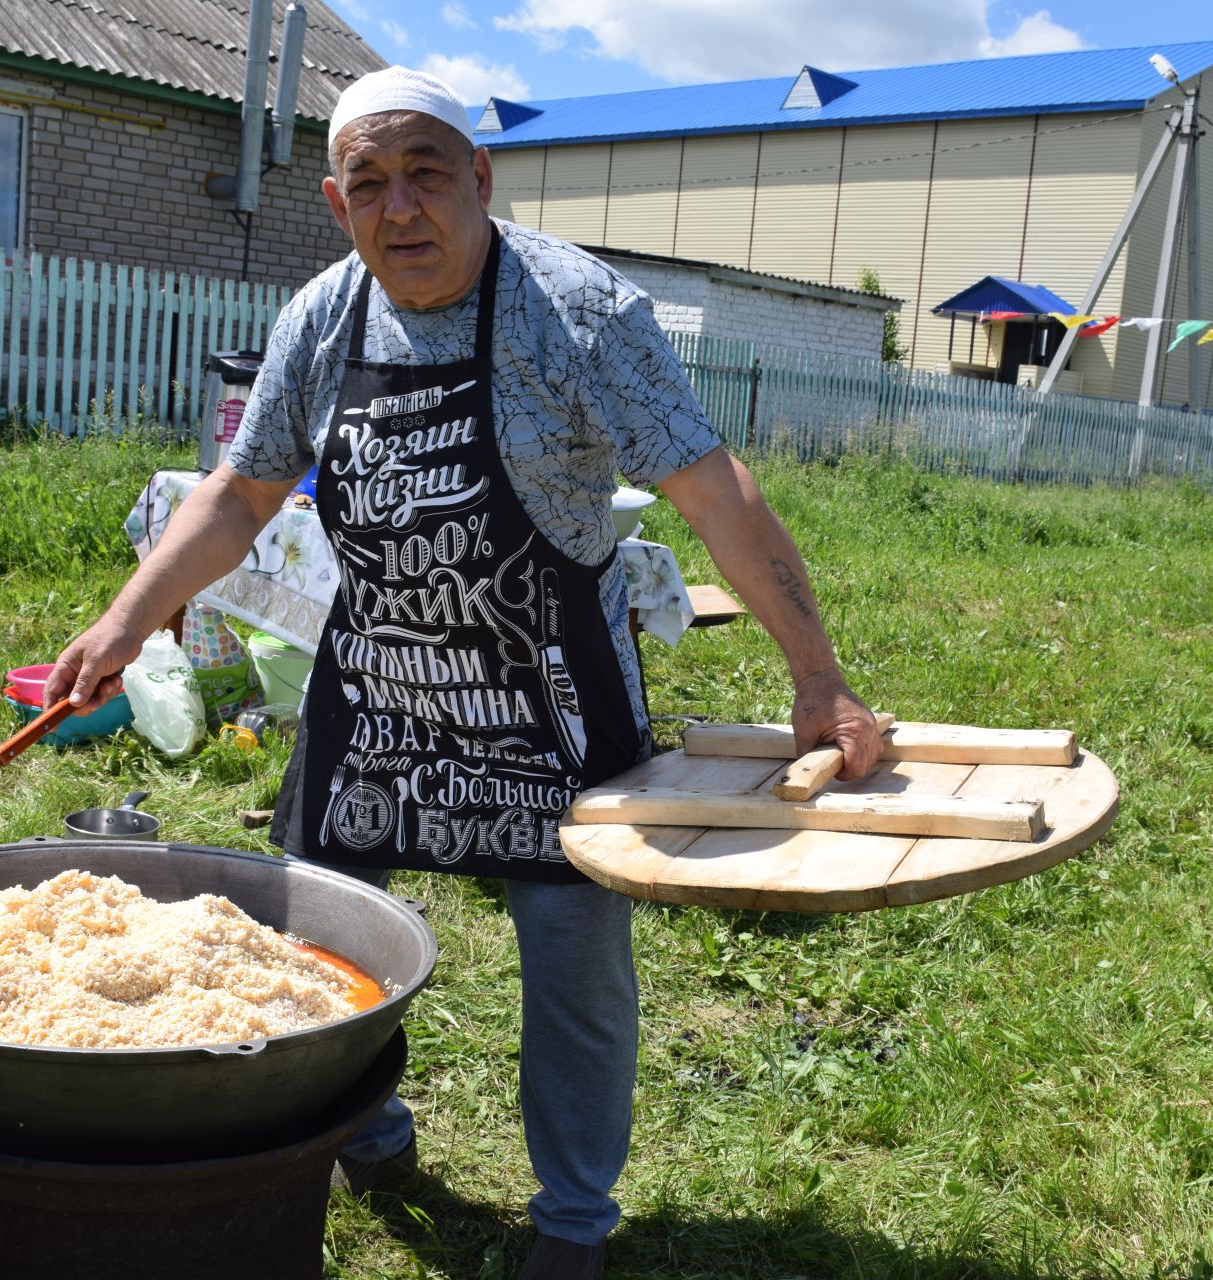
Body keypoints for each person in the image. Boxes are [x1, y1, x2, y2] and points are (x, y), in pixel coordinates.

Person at [45, 66, 881, 1280]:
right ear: (338, 205)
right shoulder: (323, 317)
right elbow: (243, 489)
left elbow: (717, 491)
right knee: (311, 927)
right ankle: (364, 1128)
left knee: (572, 954)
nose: (402, 210)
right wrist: (130, 616)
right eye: (370, 185)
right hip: (380, 690)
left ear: (480, 178)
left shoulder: (579, 312)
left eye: (427, 173)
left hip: (545, 703)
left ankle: (573, 1220)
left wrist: (820, 675)